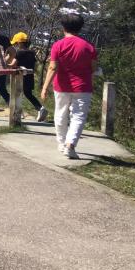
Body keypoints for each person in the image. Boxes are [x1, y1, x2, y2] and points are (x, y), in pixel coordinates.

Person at [40, 14, 98, 160]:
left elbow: (52, 68)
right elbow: (93, 68)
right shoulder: (89, 47)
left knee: (60, 114)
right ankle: (70, 145)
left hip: (61, 85)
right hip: (83, 87)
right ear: (80, 27)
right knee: (78, 116)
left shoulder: (58, 45)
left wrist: (45, 87)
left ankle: (61, 143)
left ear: (63, 27)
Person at [11, 31, 48, 122]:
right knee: (28, 94)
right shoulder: (32, 52)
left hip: (20, 77)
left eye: (15, 43)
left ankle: (17, 113)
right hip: (30, 76)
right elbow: (34, 65)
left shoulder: (19, 53)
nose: (15, 45)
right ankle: (40, 108)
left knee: (17, 94)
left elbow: (13, 65)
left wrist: (6, 62)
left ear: (19, 43)